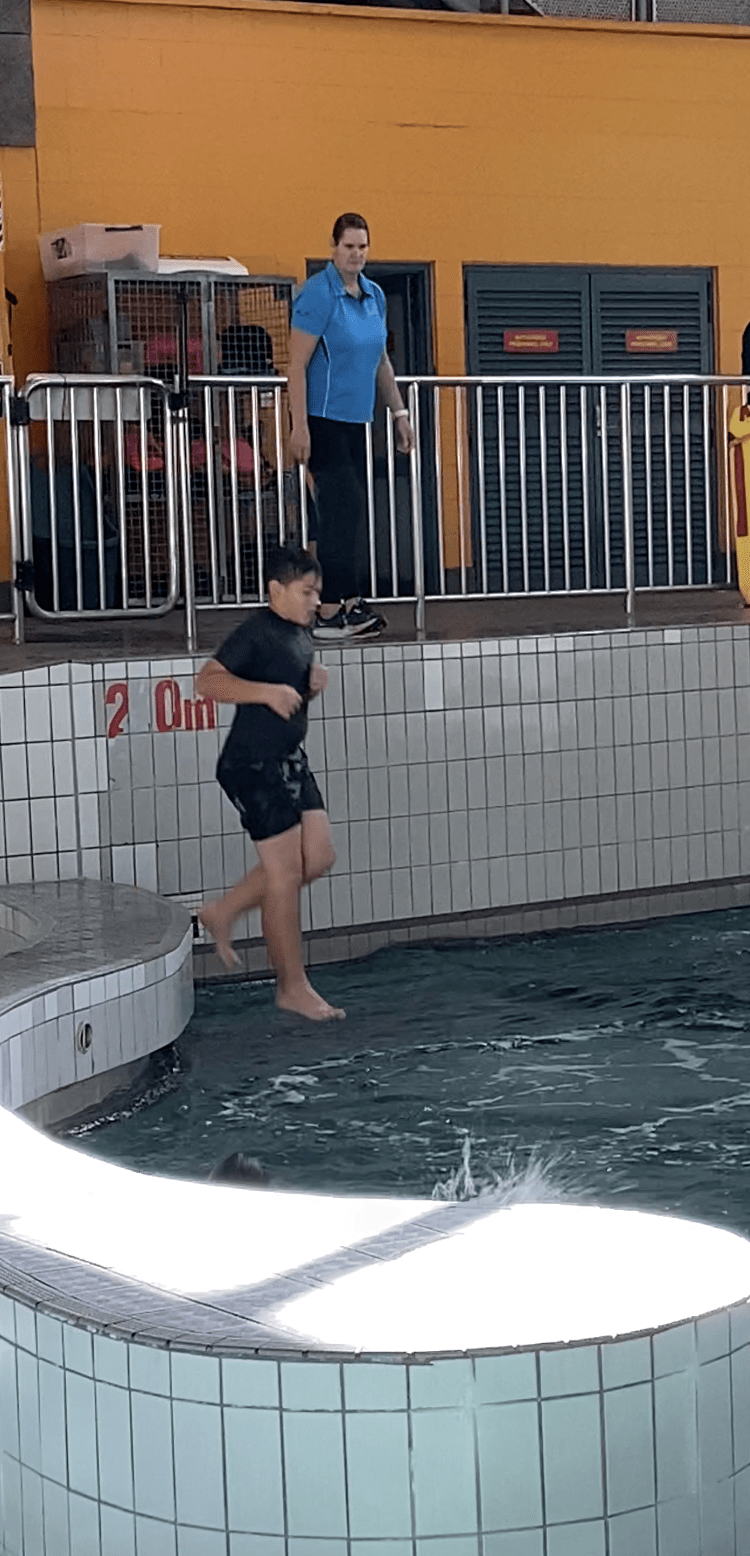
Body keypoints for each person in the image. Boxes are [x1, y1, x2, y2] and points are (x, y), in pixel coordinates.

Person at [196, 543, 345, 1021]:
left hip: (287, 758)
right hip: (251, 765)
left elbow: (286, 695)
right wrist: (265, 692)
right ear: (275, 589)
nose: (314, 601)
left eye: (317, 592)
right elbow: (207, 681)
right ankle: (292, 987)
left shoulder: (300, 632)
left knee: (318, 857)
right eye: (306, 592)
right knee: (283, 876)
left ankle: (223, 911)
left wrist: (308, 686)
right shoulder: (255, 632)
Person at [288, 212, 416, 639]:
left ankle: (347, 601)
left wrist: (399, 413)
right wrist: (299, 426)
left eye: (362, 247)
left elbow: (380, 360)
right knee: (340, 508)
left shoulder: (374, 295)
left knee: (352, 510)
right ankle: (327, 610)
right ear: (334, 247)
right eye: (348, 247)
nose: (356, 254)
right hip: (322, 418)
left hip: (357, 420)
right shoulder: (318, 294)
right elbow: (296, 364)